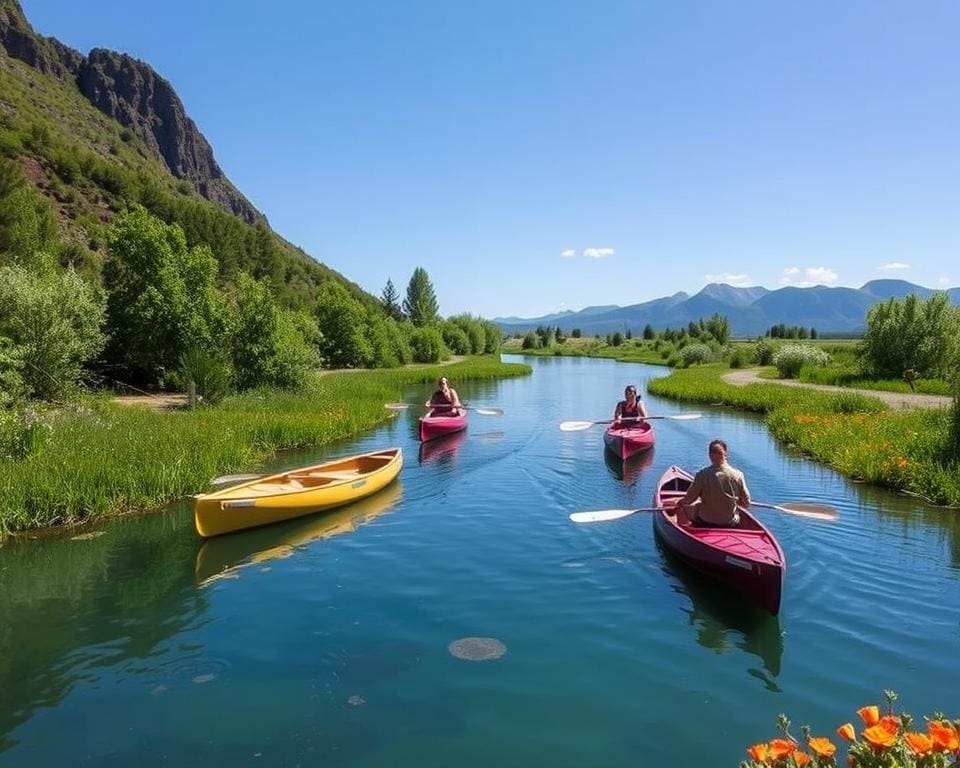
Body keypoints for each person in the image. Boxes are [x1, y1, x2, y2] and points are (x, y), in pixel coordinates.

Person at [678, 439, 750, 528]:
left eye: (715, 452)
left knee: (686, 508)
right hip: (730, 523)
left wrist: (680, 503)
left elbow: (689, 500)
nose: (715, 455)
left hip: (705, 521)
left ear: (709, 455)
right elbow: (746, 503)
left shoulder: (702, 475)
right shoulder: (738, 475)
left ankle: (683, 529)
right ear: (726, 454)